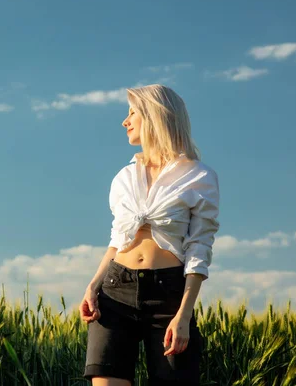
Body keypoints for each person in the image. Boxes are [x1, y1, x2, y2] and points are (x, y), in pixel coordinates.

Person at [80, 84, 220, 386]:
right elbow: (118, 239)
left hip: (168, 296)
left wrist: (183, 315)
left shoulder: (199, 176)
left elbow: (199, 249)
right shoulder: (124, 177)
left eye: (132, 113)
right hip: (116, 289)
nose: (125, 121)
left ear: (155, 116)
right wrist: (93, 286)